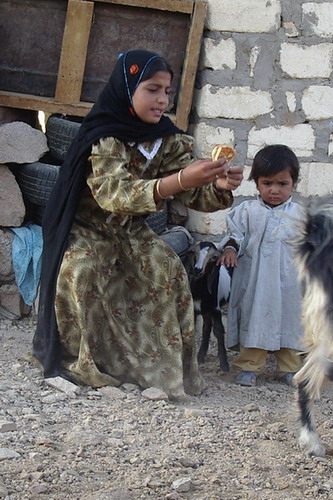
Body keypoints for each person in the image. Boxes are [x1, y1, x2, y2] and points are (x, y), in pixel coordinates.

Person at [32, 49, 243, 401]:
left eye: (167, 92)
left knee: (167, 268)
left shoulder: (169, 139)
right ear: (126, 89)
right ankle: (83, 361)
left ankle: (158, 368)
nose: (162, 100)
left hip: (129, 232)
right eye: (152, 89)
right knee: (81, 269)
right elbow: (114, 194)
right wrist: (179, 180)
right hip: (87, 228)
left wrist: (218, 186)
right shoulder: (105, 137)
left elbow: (195, 194)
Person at [217, 144, 305, 387]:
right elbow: (235, 236)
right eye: (267, 183)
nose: (274, 190)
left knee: (290, 322)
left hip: (289, 284)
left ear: (294, 184)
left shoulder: (300, 216)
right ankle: (248, 366)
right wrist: (230, 250)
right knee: (253, 319)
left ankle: (289, 369)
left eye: (282, 184)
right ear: (256, 183)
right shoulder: (246, 211)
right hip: (254, 282)